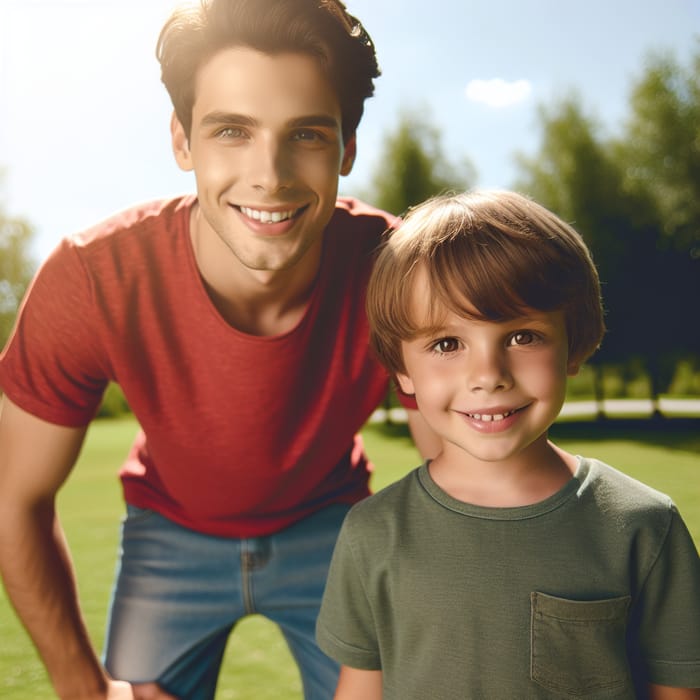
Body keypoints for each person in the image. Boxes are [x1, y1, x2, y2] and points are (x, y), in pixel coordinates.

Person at [0, 1, 438, 698]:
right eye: (231, 130)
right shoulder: (92, 277)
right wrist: (81, 687)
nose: (269, 175)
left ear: (348, 147)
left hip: (331, 524)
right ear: (182, 141)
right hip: (168, 529)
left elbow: (459, 477)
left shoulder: (402, 274)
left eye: (307, 135)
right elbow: (15, 498)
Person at [316, 190, 700, 700]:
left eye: (522, 337)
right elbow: (360, 689)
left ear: (575, 343)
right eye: (447, 344)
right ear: (402, 370)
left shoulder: (643, 526)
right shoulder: (371, 532)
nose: (488, 376)